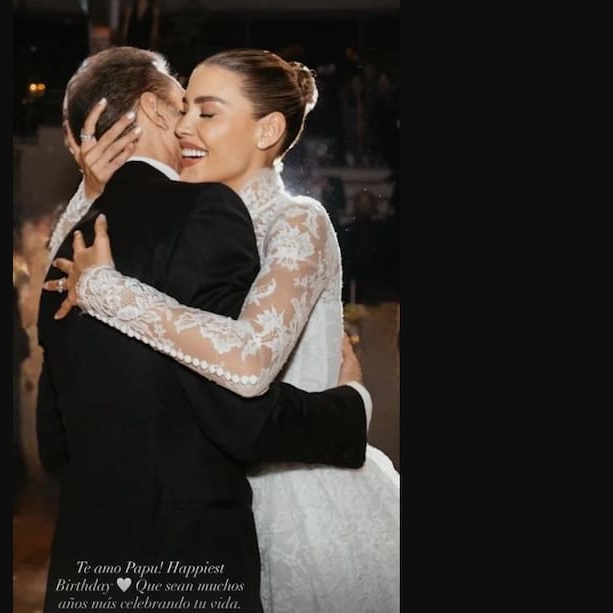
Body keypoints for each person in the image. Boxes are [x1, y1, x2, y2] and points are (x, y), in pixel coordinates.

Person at [48, 48, 400, 612]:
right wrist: (94, 197)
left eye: (206, 113)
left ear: (268, 130)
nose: (183, 127)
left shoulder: (298, 219)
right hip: (210, 509)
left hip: (298, 501)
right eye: (184, 109)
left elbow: (248, 361)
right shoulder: (188, 222)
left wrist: (105, 289)